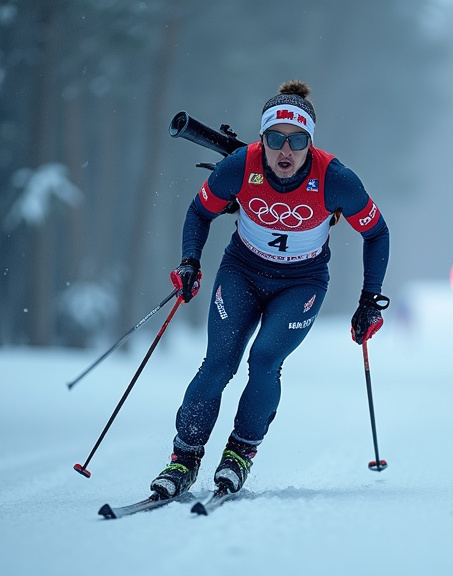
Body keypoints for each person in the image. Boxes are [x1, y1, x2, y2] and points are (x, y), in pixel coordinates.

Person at [150, 80, 390, 499]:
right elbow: (198, 212)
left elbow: (378, 233)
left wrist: (369, 300)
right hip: (241, 272)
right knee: (219, 364)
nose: (286, 150)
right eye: (276, 138)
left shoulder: (335, 178)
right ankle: (183, 460)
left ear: (310, 143)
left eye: (297, 141)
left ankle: (239, 454)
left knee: (263, 360)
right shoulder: (241, 166)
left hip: (301, 283)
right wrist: (190, 261)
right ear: (262, 138)